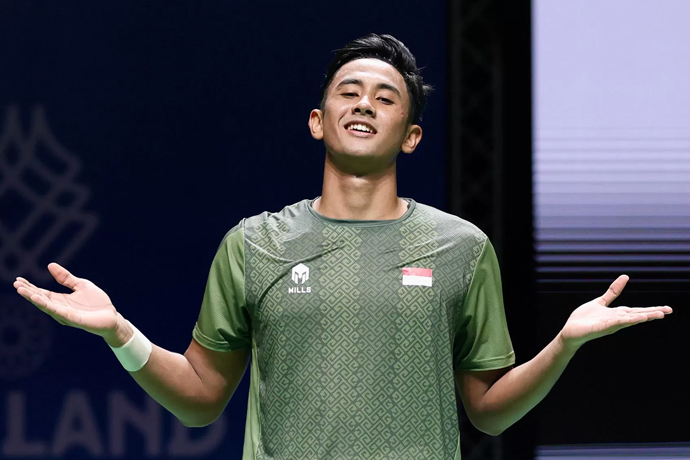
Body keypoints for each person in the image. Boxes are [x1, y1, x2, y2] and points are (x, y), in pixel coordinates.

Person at [12, 34, 672, 460]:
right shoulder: (254, 243)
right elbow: (201, 396)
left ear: (410, 135)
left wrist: (563, 345)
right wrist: (120, 333)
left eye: (385, 98)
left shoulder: (461, 247)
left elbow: (489, 413)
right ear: (318, 120)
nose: (364, 105)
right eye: (348, 93)